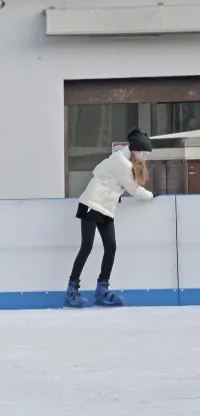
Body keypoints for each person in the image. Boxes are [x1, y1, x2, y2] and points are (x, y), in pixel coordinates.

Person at [64, 129, 154, 308]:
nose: (144, 157)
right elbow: (136, 191)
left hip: (105, 208)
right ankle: (71, 291)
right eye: (142, 153)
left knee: (111, 247)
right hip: (91, 204)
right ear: (134, 150)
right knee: (86, 247)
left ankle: (101, 290)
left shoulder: (125, 160)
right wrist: (153, 195)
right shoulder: (122, 162)